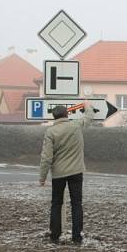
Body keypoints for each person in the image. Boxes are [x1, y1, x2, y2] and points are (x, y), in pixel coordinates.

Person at [39, 101, 94, 244]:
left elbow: (46, 157)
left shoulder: (50, 132)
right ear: (67, 114)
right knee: (77, 204)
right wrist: (87, 105)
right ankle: (77, 237)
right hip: (76, 171)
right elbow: (88, 117)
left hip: (58, 174)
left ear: (54, 117)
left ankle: (55, 235)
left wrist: (42, 177)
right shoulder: (76, 126)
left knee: (56, 204)